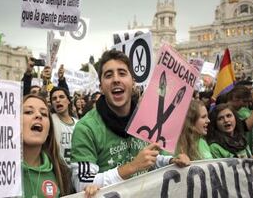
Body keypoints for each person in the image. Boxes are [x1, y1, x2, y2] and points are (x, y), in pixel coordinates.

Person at [70, 50, 190, 192]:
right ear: (101, 86)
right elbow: (82, 183)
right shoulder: (86, 128)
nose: (116, 79)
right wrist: (132, 167)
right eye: (108, 75)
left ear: (133, 81)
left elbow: (152, 159)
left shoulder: (149, 118)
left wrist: (171, 161)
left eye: (122, 73)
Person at [22, 94, 72, 197]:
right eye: (28, 112)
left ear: (49, 130)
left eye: (44, 114)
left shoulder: (62, 172)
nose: (38, 116)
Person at [49, 87, 78, 166]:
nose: (58, 100)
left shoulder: (79, 124)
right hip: (59, 171)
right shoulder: (50, 122)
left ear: (68, 101)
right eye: (54, 99)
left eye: (61, 97)